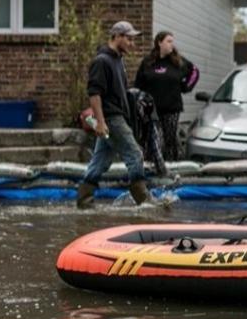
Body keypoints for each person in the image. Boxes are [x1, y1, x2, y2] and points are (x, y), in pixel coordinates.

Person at [77, 20, 152, 208]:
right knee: (135, 154)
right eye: (129, 39)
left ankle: (84, 202)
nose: (132, 44)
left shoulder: (117, 60)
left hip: (115, 117)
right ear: (117, 36)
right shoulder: (102, 61)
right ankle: (144, 202)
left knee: (100, 162)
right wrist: (100, 122)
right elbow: (94, 94)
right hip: (111, 118)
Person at [134, 31, 199, 160]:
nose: (172, 45)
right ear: (159, 42)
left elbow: (195, 72)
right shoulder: (148, 62)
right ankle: (151, 166)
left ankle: (171, 165)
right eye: (169, 41)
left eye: (172, 41)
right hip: (151, 110)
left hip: (172, 109)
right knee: (153, 140)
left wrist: (186, 87)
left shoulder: (178, 62)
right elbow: (138, 85)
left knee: (170, 141)